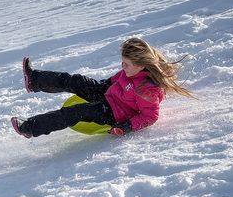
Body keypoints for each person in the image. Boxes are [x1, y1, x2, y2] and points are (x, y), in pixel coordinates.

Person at [10, 37, 193, 138]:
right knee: (75, 80)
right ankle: (34, 80)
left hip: (112, 113)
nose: (122, 67)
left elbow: (150, 116)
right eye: (122, 62)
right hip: (107, 94)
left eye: (126, 64)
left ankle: (29, 128)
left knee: (72, 113)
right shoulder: (129, 72)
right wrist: (100, 86)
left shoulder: (146, 89)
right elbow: (116, 80)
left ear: (141, 65)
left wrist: (126, 127)